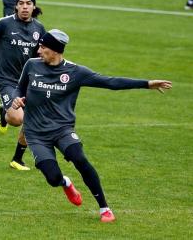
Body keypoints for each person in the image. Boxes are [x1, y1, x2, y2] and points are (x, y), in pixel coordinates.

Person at [11, 29, 172, 222]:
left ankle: (105, 208)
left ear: (55, 50)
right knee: (53, 179)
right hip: (36, 134)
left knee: (79, 158)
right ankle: (66, 183)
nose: (38, 51)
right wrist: (16, 99)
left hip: (62, 129)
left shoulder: (75, 72)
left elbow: (110, 82)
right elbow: (19, 87)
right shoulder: (31, 65)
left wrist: (146, 84)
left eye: (43, 47)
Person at [0, 0, 46, 171]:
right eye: (21, 3)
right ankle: (4, 111)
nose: (25, 7)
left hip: (27, 82)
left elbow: (42, 57)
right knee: (17, 119)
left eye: (29, 3)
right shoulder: (4, 24)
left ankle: (17, 159)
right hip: (5, 80)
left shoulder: (39, 29)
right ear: (16, 6)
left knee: (32, 118)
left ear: (34, 6)